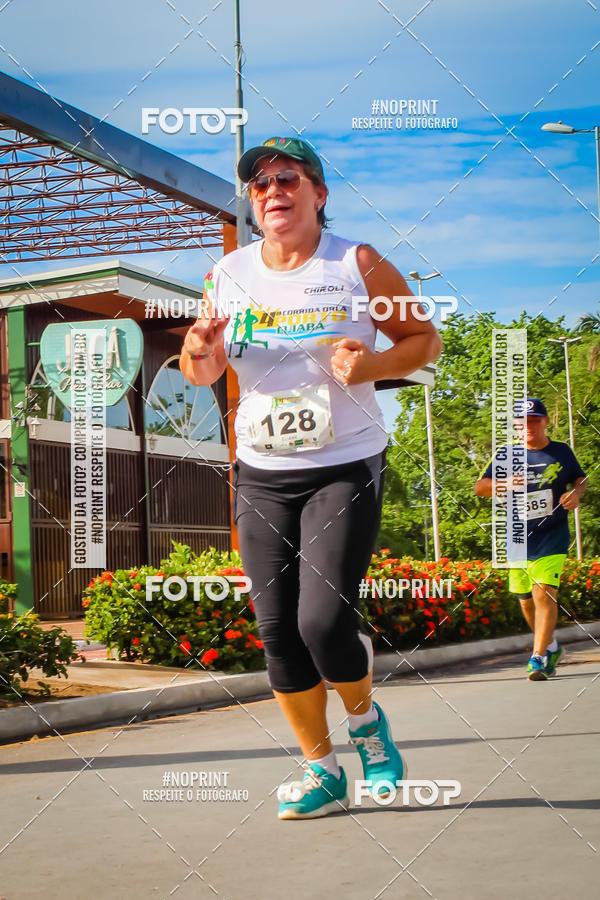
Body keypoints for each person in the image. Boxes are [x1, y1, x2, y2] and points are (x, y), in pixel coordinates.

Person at [180, 136, 442, 819]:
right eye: (259, 184)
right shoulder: (229, 274)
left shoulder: (356, 263)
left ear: (318, 193)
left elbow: (425, 343)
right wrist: (199, 352)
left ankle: (366, 728)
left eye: (286, 178)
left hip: (343, 464)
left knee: (323, 621)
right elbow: (202, 370)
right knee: (277, 632)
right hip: (262, 472)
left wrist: (373, 367)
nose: (272, 191)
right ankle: (320, 769)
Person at [474, 398, 586, 681]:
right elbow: (480, 487)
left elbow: (580, 479)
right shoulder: (506, 454)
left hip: (553, 534)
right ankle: (550, 646)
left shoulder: (561, 451)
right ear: (516, 427)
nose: (529, 427)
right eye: (523, 423)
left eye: (534, 421)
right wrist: (505, 483)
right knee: (526, 601)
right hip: (518, 537)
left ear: (545, 421)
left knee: (543, 591)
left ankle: (538, 658)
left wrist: (575, 495)